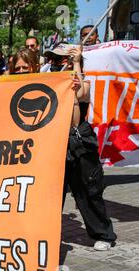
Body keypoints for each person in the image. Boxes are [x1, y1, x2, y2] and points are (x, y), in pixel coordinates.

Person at [47, 45, 117, 250]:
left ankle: (103, 235)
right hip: (53, 140)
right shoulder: (45, 79)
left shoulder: (80, 80)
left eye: (58, 60)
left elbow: (84, 94)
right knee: (51, 192)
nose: (53, 64)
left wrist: (76, 64)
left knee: (89, 189)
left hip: (79, 141)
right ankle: (47, 233)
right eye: (51, 60)